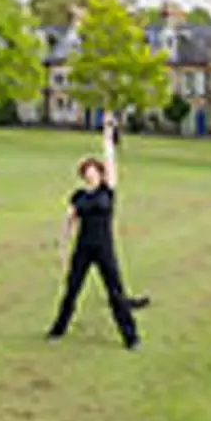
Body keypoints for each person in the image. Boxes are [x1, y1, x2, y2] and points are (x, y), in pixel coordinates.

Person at [46, 117, 148, 345]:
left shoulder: (107, 190)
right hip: (83, 247)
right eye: (87, 171)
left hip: (103, 247)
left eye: (94, 171)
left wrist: (107, 136)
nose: (91, 174)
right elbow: (69, 220)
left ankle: (131, 337)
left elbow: (110, 160)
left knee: (115, 292)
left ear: (100, 174)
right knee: (72, 290)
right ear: (83, 175)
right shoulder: (79, 196)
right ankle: (58, 330)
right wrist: (63, 246)